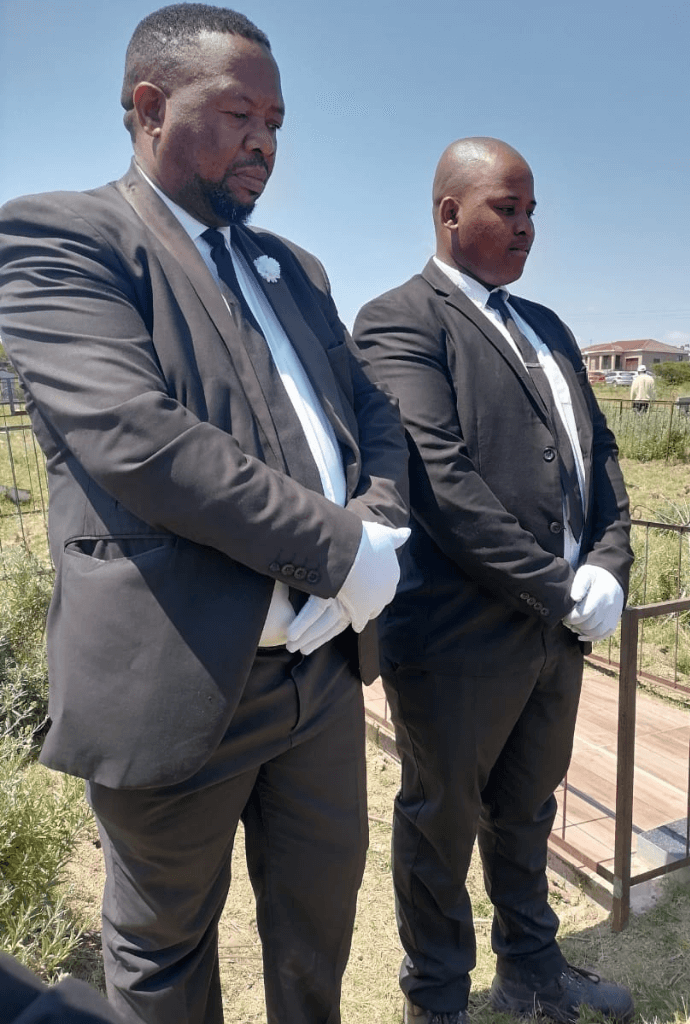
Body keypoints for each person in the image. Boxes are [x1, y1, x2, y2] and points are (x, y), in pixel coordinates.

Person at [0, 5, 409, 1024]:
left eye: (276, 121)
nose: (264, 143)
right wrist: (341, 552)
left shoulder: (295, 270)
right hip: (175, 672)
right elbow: (138, 439)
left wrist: (382, 534)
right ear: (148, 107)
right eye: (237, 114)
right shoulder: (62, 235)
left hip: (319, 669)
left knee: (317, 923)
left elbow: (375, 419)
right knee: (165, 952)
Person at [353, 138, 634, 1024]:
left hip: (557, 633)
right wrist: (560, 585)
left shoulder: (547, 325)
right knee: (442, 820)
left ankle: (533, 970)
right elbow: (442, 485)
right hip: (456, 635)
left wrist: (611, 563)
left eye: (531, 212)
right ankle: (436, 999)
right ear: (449, 214)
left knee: (528, 810)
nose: (526, 228)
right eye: (505, 210)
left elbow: (599, 458)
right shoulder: (401, 320)